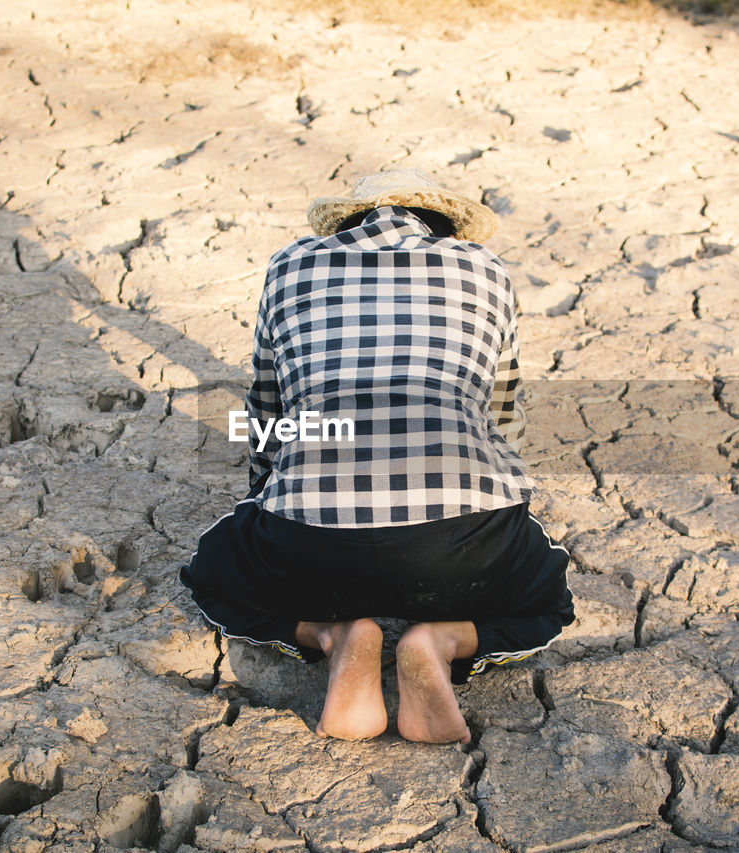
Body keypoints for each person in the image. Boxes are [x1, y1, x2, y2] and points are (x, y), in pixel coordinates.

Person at [180, 169, 573, 743]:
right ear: (444, 227)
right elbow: (502, 415)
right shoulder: (486, 269)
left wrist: (268, 503)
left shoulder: (290, 266)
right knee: (548, 598)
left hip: (312, 547)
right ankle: (438, 642)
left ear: (347, 222)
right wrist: (502, 516)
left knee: (211, 572)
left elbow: (267, 411)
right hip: (463, 545)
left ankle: (333, 637)